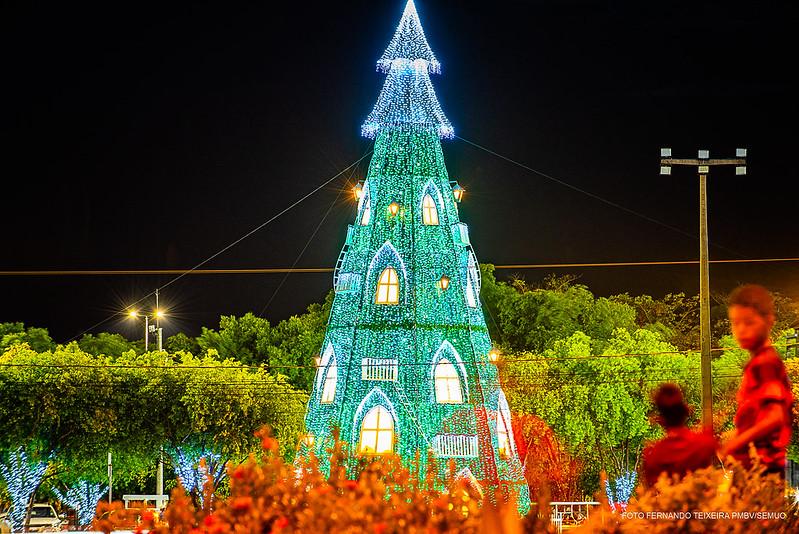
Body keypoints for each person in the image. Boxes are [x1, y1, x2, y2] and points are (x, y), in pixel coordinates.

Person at [720, 284, 793, 475]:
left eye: (749, 322)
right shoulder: (759, 362)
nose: (741, 330)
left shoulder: (765, 364)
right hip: (757, 466)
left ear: (769, 321)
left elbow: (774, 416)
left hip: (762, 468)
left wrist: (736, 442)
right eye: (735, 323)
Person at [642, 383, 718, 486]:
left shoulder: (654, 456)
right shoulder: (705, 443)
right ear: (685, 412)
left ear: (661, 420)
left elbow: (651, 488)